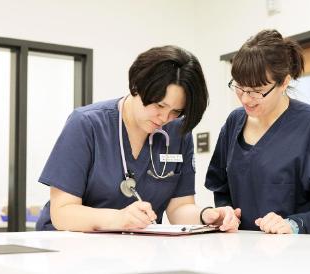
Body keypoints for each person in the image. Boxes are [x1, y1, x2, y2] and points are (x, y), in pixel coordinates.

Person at [36, 45, 240, 232]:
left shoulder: (178, 132)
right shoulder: (86, 124)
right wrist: (119, 219)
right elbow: (62, 212)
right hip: (69, 246)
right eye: (159, 106)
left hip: (135, 249)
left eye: (176, 111)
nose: (164, 119)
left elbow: (180, 208)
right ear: (136, 86)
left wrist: (207, 216)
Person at [204, 30, 310, 235]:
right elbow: (221, 189)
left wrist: (294, 224)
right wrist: (227, 212)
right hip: (241, 253)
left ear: (284, 82)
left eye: (257, 90)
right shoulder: (234, 122)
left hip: (295, 257)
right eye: (240, 87)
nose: (246, 99)